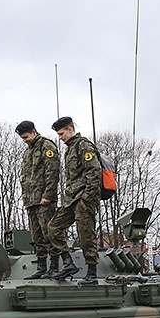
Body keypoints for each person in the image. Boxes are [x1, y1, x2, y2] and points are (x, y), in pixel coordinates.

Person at [46, 116, 102, 285]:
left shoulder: (83, 145)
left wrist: (88, 197)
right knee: (53, 227)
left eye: (62, 133)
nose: (60, 137)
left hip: (83, 198)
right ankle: (68, 263)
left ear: (70, 129)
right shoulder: (69, 149)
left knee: (86, 234)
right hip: (71, 199)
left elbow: (94, 172)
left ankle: (92, 273)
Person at [15, 120, 60, 279]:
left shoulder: (46, 146)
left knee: (49, 234)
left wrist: (48, 195)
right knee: (37, 236)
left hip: (44, 200)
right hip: (31, 200)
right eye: (23, 138)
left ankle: (54, 267)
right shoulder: (27, 152)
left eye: (26, 136)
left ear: (34, 132)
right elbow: (26, 177)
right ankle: (41, 267)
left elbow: (52, 172)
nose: (25, 140)